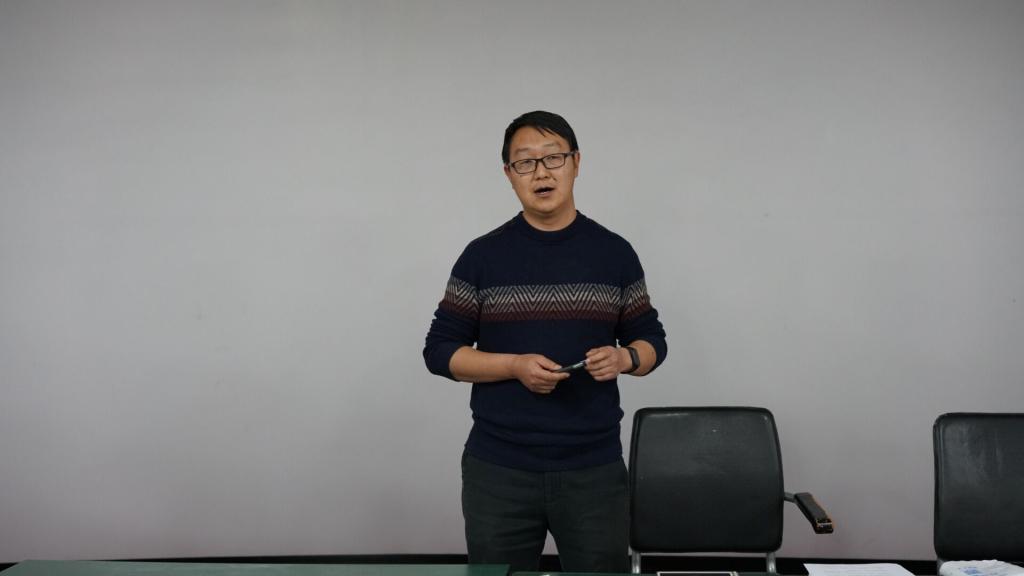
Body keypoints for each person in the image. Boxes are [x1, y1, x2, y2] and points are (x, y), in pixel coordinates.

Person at [423, 110, 667, 573]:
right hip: (498, 470)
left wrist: (624, 357)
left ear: (576, 162)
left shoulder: (614, 253)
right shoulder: (482, 256)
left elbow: (652, 340)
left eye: (553, 157)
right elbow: (439, 351)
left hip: (594, 469)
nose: (541, 172)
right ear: (508, 174)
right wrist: (513, 366)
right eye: (525, 162)